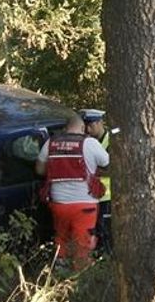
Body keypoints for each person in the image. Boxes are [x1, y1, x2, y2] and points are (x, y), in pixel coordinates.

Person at [34, 113, 110, 268]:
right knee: (82, 245)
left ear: (65, 128)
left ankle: (60, 273)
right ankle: (79, 279)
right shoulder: (89, 143)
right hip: (85, 206)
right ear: (82, 128)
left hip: (58, 204)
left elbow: (40, 170)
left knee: (61, 238)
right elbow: (108, 164)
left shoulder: (51, 143)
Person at [80, 108, 114, 255]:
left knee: (105, 230)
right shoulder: (86, 142)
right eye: (85, 126)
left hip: (107, 195)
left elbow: (116, 169)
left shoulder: (113, 141)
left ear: (100, 123)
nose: (88, 129)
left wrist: (93, 170)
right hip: (89, 195)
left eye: (91, 125)